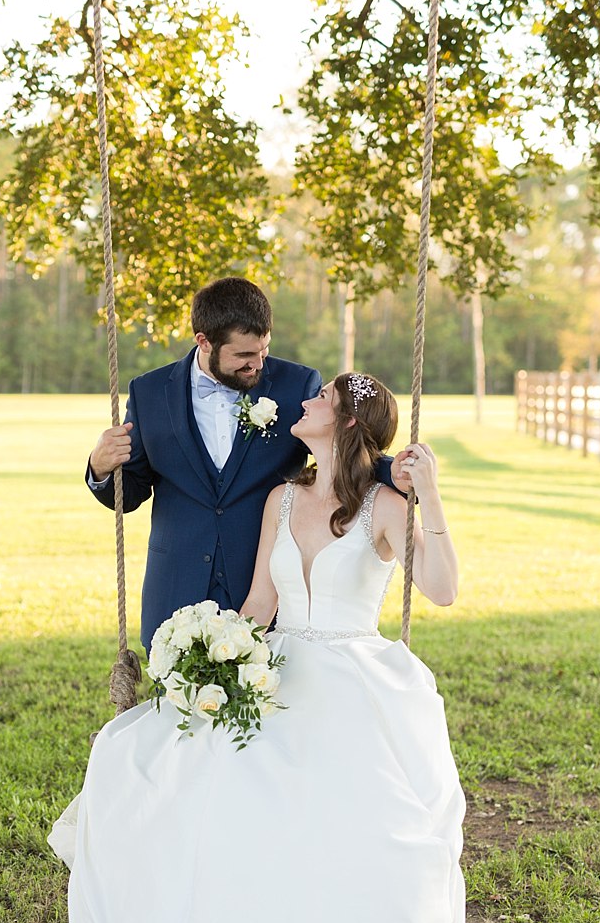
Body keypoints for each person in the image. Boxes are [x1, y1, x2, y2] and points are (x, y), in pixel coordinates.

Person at [53, 372, 464, 923]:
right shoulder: (283, 495)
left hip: (351, 681)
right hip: (272, 664)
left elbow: (445, 589)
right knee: (167, 766)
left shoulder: (385, 506)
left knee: (330, 820)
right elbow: (259, 602)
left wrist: (434, 500)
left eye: (320, 399)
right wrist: (211, 660)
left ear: (344, 422)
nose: (303, 402)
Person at [86, 277, 398, 649]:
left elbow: (342, 445)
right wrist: (101, 468)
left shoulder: (295, 385)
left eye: (263, 350)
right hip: (176, 590)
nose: (258, 365)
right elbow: (131, 492)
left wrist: (392, 472)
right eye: (245, 356)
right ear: (204, 341)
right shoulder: (149, 392)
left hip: (263, 591)